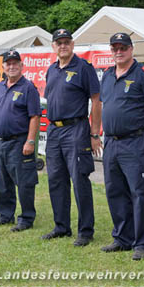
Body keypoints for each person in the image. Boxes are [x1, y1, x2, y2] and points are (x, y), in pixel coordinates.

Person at [100, 33, 144, 259]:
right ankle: (122, 238)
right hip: (112, 142)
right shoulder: (107, 75)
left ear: (131, 49)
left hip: (136, 142)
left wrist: (142, 127)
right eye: (115, 47)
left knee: (139, 192)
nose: (118, 51)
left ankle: (142, 244)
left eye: (123, 47)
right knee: (115, 191)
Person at [42, 28, 101, 247]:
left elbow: (96, 101)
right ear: (53, 47)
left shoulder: (84, 68)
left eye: (67, 42)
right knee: (56, 180)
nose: (63, 45)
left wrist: (94, 133)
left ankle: (85, 231)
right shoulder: (52, 70)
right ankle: (61, 226)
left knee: (79, 180)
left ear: (73, 45)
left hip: (76, 129)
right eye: (59, 42)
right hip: (54, 130)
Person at [0, 50, 41, 231]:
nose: (11, 66)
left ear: (21, 66)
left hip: (19, 142)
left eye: (15, 63)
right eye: (8, 63)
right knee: (2, 182)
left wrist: (30, 141)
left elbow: (34, 116)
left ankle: (26, 218)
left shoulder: (28, 88)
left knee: (24, 182)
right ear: (3, 67)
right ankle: (5, 215)